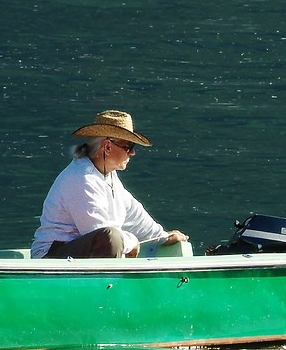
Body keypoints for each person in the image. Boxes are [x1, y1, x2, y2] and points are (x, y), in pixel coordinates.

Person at [32, 110, 189, 259]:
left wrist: (163, 237)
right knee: (111, 237)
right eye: (129, 147)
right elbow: (100, 233)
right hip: (50, 258)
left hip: (76, 256)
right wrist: (132, 241)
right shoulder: (81, 178)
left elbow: (134, 214)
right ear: (107, 147)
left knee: (114, 238)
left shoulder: (108, 174)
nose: (133, 153)